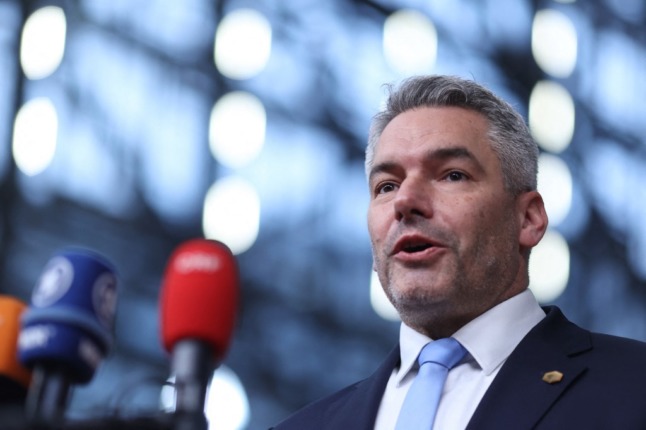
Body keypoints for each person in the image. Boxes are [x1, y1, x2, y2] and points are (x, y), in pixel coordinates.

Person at [271, 75, 646, 429]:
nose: (405, 201)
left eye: (452, 175)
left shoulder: (634, 385)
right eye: (386, 186)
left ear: (528, 219)